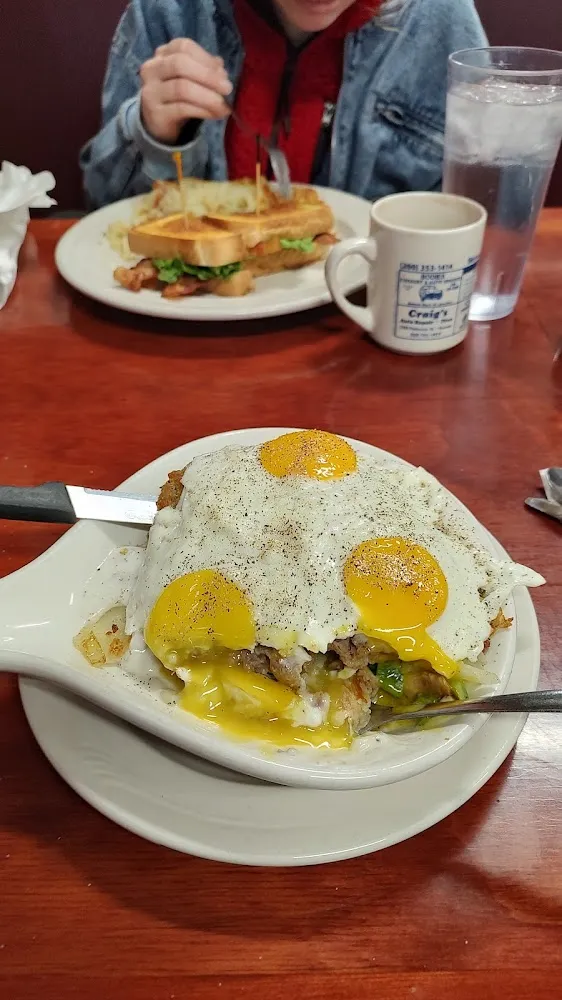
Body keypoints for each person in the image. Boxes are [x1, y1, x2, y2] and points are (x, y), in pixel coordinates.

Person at [81, 0, 487, 209]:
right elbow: (104, 214)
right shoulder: (171, 12)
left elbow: (477, 214)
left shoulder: (440, 20)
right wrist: (153, 133)